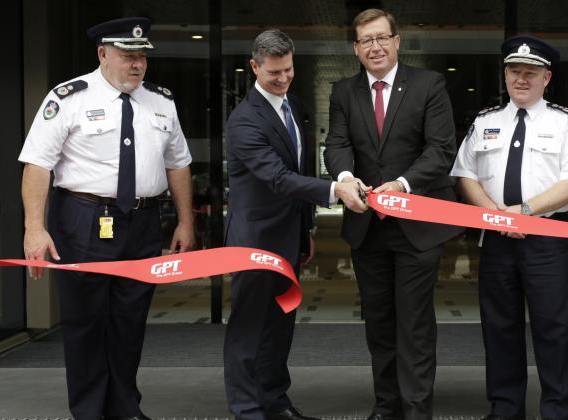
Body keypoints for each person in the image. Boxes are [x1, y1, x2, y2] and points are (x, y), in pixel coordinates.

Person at [19, 17, 194, 420]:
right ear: (103, 53)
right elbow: (37, 165)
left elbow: (178, 164)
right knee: (85, 322)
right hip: (82, 220)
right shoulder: (69, 98)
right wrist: (34, 226)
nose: (137, 64)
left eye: (142, 57)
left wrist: (186, 221)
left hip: (144, 222)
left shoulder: (161, 101)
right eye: (127, 56)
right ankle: (89, 411)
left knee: (129, 323)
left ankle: (124, 408)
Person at [323, 8, 463, 420]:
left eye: (382, 38)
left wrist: (402, 184)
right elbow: (336, 145)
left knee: (415, 325)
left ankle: (417, 409)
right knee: (379, 324)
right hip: (367, 227)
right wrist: (346, 178)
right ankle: (387, 407)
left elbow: (440, 150)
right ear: (355, 48)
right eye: (366, 40)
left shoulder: (428, 85)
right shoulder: (342, 91)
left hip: (416, 226)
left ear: (397, 41)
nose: (375, 47)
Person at [223, 29, 368, 420]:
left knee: (280, 325)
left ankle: (275, 401)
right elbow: (277, 178)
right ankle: (248, 408)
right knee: (249, 330)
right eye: (274, 73)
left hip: (288, 237)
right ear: (254, 67)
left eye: (288, 69)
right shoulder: (244, 120)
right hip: (253, 241)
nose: (283, 78)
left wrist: (305, 231)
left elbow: (298, 167)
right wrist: (336, 188)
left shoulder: (293, 105)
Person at [451, 35, 568, 420]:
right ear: (505, 74)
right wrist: (498, 217)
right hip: (497, 239)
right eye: (514, 71)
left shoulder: (565, 122)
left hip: (548, 237)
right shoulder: (484, 122)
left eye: (530, 73)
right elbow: (465, 176)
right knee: (499, 328)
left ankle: (555, 410)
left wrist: (524, 211)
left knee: (555, 329)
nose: (521, 79)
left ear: (546, 78)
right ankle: (504, 408)